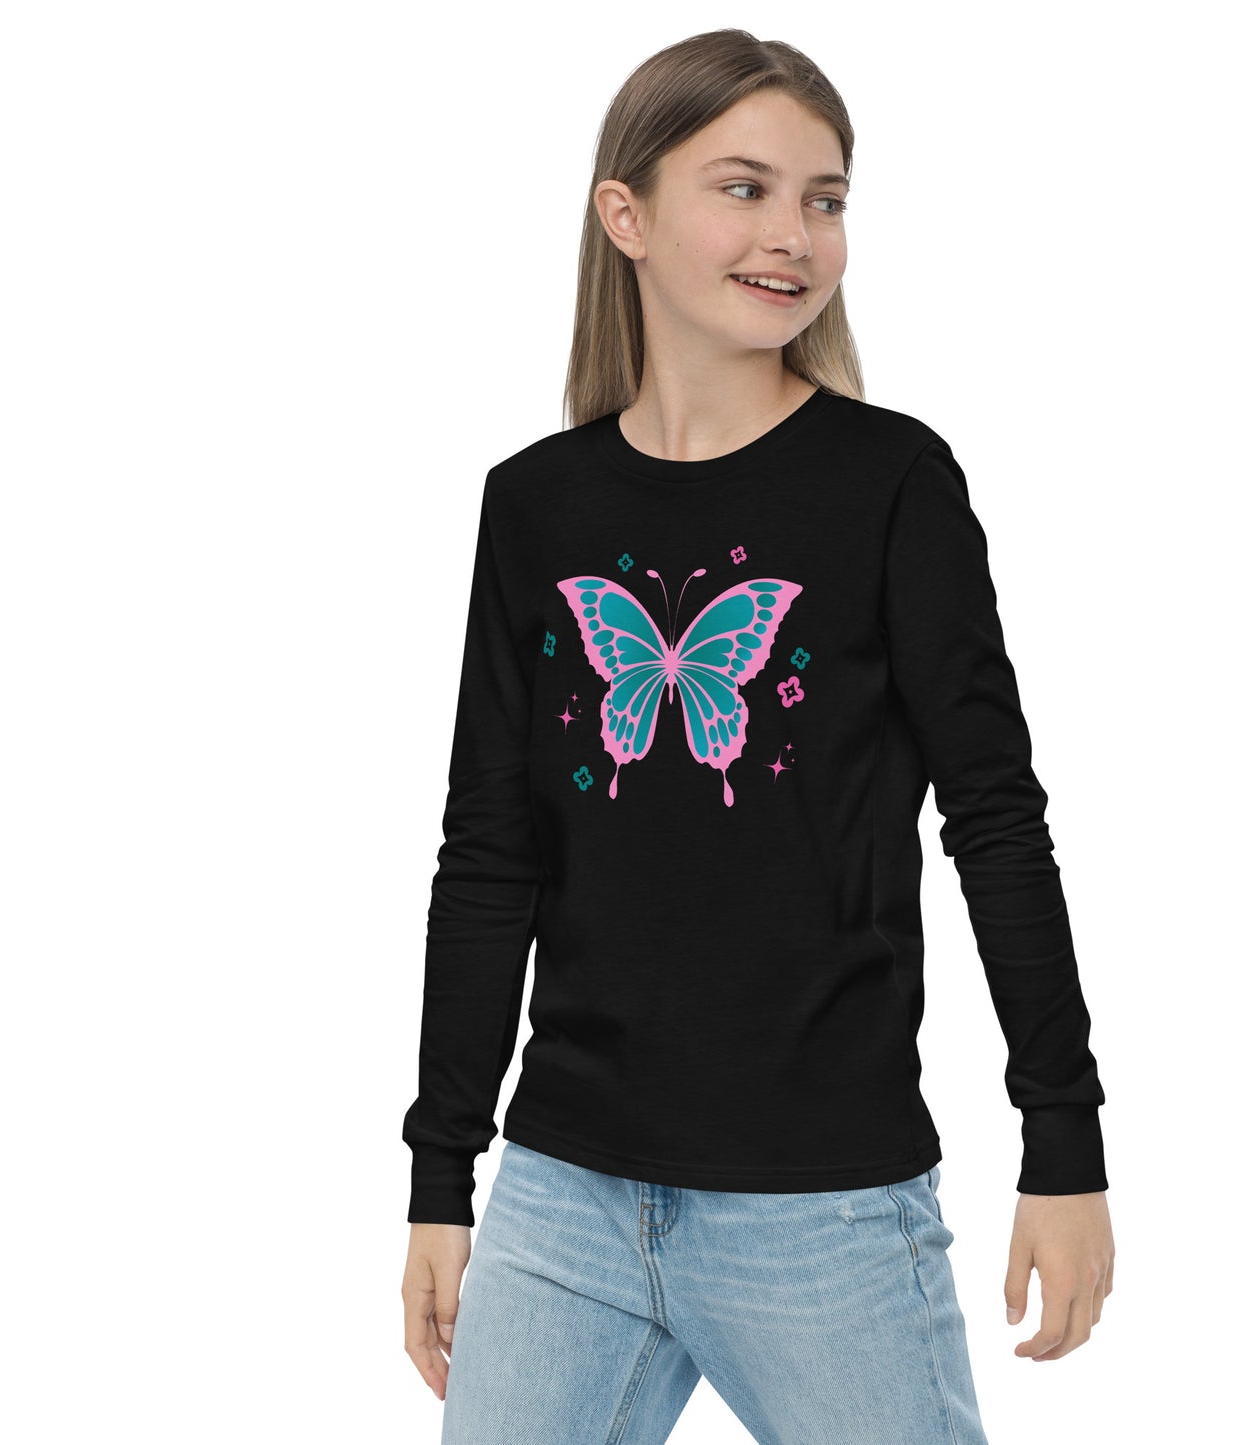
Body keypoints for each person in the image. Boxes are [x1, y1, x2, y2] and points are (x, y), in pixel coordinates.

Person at [400, 28, 1114, 1444]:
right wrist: (441, 1175)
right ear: (626, 215)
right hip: (562, 1200)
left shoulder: (890, 484)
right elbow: (489, 853)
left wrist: (1065, 1144)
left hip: (824, 1213)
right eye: (745, 188)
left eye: (824, 199)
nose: (794, 233)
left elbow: (994, 820)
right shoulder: (533, 505)